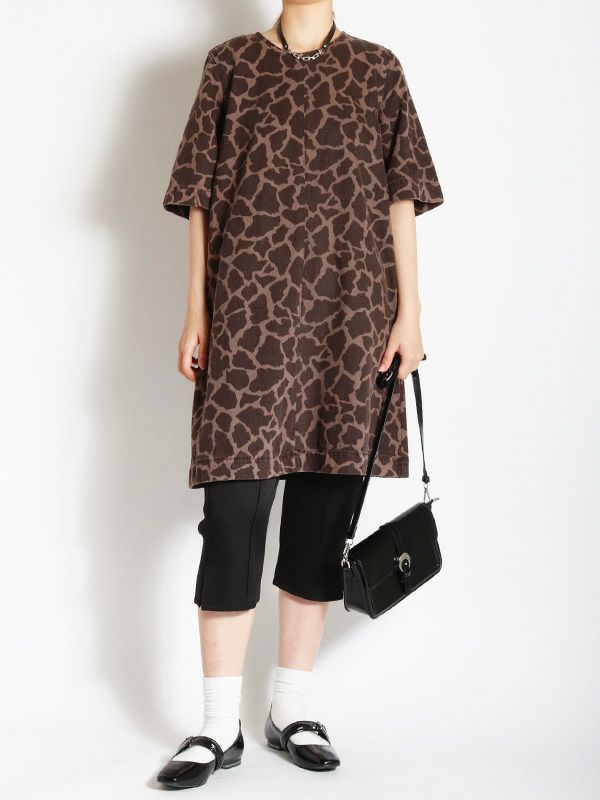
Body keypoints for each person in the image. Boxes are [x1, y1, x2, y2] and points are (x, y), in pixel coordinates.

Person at [157, 0, 443, 788]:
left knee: (321, 520)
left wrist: (410, 312)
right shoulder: (231, 65)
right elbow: (199, 196)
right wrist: (196, 311)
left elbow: (402, 197)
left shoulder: (377, 70)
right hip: (247, 318)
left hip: (349, 322)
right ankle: (218, 726)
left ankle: (291, 709)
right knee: (232, 518)